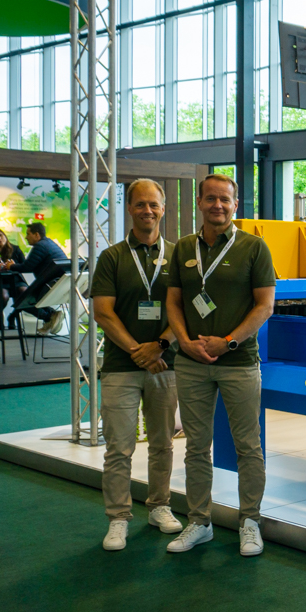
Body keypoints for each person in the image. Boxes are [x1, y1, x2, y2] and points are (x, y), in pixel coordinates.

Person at [164, 173, 275, 557]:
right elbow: (173, 302)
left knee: (248, 446)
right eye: (210, 198)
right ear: (199, 202)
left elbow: (265, 306)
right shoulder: (183, 247)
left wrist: (228, 342)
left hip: (238, 362)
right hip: (191, 362)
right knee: (196, 446)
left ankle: (250, 522)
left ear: (235, 204)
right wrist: (184, 341)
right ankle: (199, 522)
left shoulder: (254, 247)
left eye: (225, 199)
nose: (218, 205)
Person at [91, 179, 183, 551]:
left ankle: (160, 506)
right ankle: (118, 518)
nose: (148, 210)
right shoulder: (111, 257)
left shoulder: (178, 255)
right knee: (119, 447)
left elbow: (184, 311)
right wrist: (137, 351)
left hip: (166, 364)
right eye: (140, 204)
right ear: (129, 208)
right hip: (121, 367)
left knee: (163, 443)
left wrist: (159, 347)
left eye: (154, 204)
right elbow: (103, 313)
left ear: (163, 208)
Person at [1, 221, 67, 335]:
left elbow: (27, 267)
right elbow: (29, 265)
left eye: (28, 234)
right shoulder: (49, 243)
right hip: (59, 284)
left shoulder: (40, 246)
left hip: (49, 285)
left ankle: (49, 316)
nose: (26, 237)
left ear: (37, 235)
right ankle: (51, 316)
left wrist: (11, 266)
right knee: (23, 295)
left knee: (21, 300)